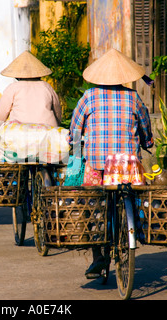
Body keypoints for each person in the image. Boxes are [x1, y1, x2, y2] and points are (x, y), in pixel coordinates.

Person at [68, 48, 154, 279]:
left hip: (96, 163)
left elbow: (75, 129)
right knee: (136, 197)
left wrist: (74, 147)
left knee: (92, 207)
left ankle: (98, 257)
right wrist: (148, 141)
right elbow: (145, 127)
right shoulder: (133, 97)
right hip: (127, 166)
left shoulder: (89, 97)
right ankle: (136, 228)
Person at [0, 51, 61, 129]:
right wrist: (58, 124)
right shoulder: (46, 87)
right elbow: (57, 109)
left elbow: (2, 111)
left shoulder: (13, 87)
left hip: (21, 131)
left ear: (17, 76)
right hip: (48, 130)